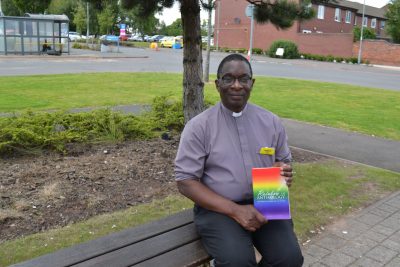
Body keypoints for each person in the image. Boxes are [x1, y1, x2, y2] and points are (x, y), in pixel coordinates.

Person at [175, 54, 303, 267]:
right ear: (217, 85)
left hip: (266, 201)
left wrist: (284, 171)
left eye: (244, 79)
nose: (236, 85)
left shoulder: (271, 122)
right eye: (228, 78)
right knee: (238, 262)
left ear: (252, 83)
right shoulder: (199, 127)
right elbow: (185, 182)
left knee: (289, 259)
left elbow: (283, 161)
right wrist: (235, 210)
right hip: (218, 208)